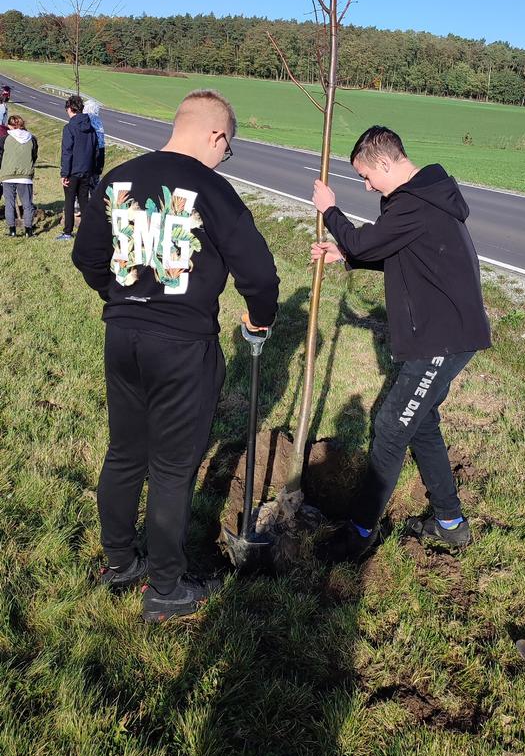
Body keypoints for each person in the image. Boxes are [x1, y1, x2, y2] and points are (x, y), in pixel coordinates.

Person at [72, 89, 279, 622]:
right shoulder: (212, 188)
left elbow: (86, 254)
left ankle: (120, 561)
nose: (222, 157)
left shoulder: (118, 177)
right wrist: (260, 317)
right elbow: (259, 273)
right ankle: (165, 588)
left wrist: (120, 296)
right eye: (226, 148)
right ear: (216, 135)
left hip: (122, 337)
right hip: (183, 346)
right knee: (170, 468)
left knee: (124, 453)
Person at [311, 125, 491, 561]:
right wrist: (348, 256)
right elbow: (407, 256)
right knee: (421, 422)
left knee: (391, 425)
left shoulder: (413, 203)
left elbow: (364, 237)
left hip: (442, 339)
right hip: (444, 333)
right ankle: (450, 523)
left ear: (387, 162)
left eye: (367, 176)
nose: (367, 185)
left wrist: (331, 212)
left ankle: (358, 534)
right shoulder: (422, 200)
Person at [58, 94, 98, 241]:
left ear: (70, 108)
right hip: (87, 170)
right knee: (84, 201)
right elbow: (96, 150)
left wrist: (64, 173)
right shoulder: (91, 128)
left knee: (69, 201)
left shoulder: (69, 128)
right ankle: (87, 230)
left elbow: (67, 151)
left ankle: (68, 232)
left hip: (73, 170)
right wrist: (93, 169)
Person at [0, 114, 39, 237]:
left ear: (11, 125)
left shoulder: (4, 139)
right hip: (25, 176)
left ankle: (12, 230)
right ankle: (28, 230)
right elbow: (34, 156)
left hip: (8, 174)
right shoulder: (32, 139)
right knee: (27, 204)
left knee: (9, 203)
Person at [83, 98, 106, 190]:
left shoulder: (85, 120)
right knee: (95, 180)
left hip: (88, 153)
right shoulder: (99, 121)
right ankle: (94, 199)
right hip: (99, 153)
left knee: (84, 182)